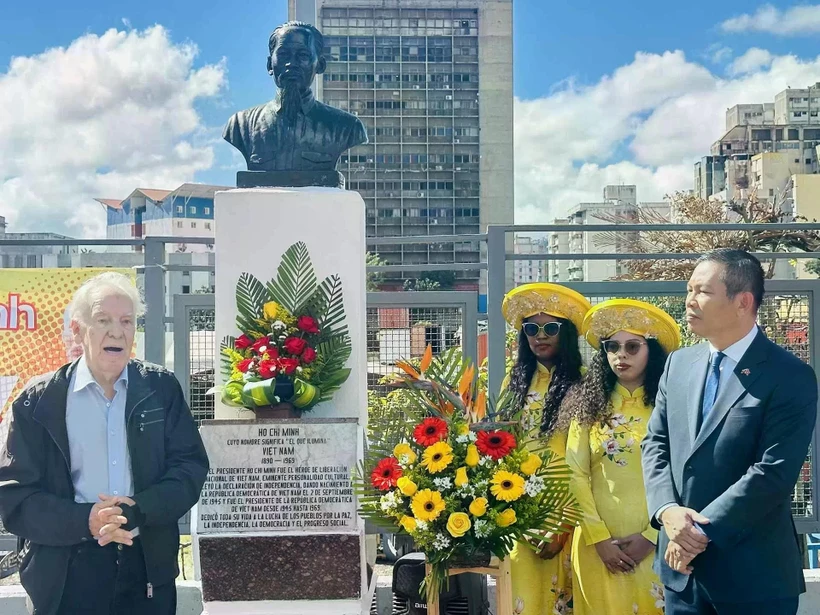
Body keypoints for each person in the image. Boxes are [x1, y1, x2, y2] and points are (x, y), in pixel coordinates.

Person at [0, 272, 210, 615]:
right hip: (65, 573)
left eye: (127, 321)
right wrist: (87, 520)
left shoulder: (161, 389)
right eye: (104, 320)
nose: (117, 331)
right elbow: (15, 497)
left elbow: (189, 469)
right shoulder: (38, 402)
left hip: (146, 568)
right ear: (79, 330)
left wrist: (139, 509)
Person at [642, 248, 818, 615]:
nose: (690, 301)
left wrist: (695, 534)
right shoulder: (678, 364)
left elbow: (772, 474)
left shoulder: (789, 376)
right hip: (682, 576)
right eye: (689, 289)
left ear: (743, 302)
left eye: (703, 292)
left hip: (753, 578)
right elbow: (655, 443)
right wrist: (667, 511)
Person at [563, 299, 680, 615]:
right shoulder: (588, 407)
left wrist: (654, 536)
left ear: (651, 351)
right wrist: (598, 537)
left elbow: (683, 474)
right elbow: (574, 472)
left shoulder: (671, 407)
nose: (621, 355)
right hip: (597, 547)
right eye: (612, 347)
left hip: (660, 543)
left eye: (632, 346)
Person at [501, 282, 591, 615]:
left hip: (568, 512)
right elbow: (502, 452)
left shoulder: (585, 384)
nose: (540, 335)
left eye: (550, 327)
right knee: (522, 602)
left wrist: (563, 527)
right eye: (531, 328)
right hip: (520, 513)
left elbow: (589, 461)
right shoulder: (513, 385)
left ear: (565, 332)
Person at [223, 21, 368, 173]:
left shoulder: (347, 127)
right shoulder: (240, 125)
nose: (291, 64)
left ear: (320, 65)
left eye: (303, 55)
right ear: (269, 65)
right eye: (283, 54)